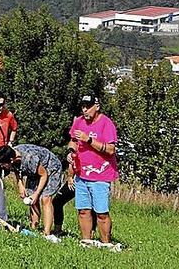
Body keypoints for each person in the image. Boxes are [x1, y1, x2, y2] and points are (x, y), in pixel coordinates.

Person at [69, 95, 120, 250]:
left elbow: (111, 150)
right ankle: (87, 242)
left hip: (101, 175)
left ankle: (106, 244)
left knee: (101, 212)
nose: (85, 110)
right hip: (81, 173)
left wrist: (89, 140)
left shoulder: (106, 124)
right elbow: (72, 140)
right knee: (83, 210)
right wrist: (71, 151)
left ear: (97, 106)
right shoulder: (78, 121)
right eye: (83, 106)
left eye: (88, 106)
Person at [0, 144, 63, 241]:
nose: (2, 166)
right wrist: (20, 185)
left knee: (45, 198)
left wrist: (37, 193)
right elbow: (16, 170)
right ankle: (34, 226)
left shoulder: (29, 157)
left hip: (50, 168)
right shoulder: (11, 155)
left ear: (11, 160)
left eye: (3, 164)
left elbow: (44, 175)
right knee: (30, 197)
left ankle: (47, 232)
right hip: (34, 171)